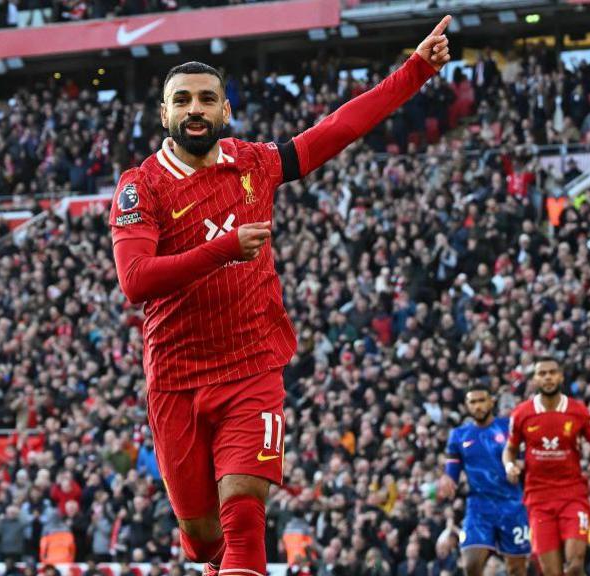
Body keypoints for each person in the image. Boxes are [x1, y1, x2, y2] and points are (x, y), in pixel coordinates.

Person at [108, 15, 454, 576]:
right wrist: (223, 249)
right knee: (202, 538)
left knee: (244, 517)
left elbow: (337, 129)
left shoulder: (256, 163)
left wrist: (414, 71)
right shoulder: (140, 185)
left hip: (252, 365)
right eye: (182, 100)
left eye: (207, 99)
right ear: (165, 114)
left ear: (225, 111)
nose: (195, 109)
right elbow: (136, 280)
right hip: (175, 375)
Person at [502, 355, 590, 576]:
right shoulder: (522, 413)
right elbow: (510, 449)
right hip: (538, 499)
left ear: (561, 376)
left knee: (574, 565)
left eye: (552, 372)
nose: (548, 378)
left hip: (573, 495)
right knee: (551, 572)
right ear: (534, 379)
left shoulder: (578, 411)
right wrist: (509, 466)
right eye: (542, 374)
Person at [439, 384, 529, 576]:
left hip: (512, 505)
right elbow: (452, 468)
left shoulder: (510, 427)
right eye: (473, 402)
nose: (478, 406)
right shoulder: (458, 435)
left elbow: (526, 458)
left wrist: (519, 466)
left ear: (491, 402)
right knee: (471, 564)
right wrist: (448, 478)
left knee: (516, 569)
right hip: (479, 506)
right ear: (466, 405)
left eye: (482, 401)